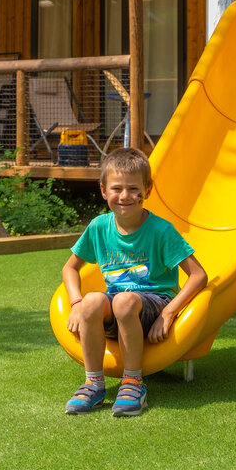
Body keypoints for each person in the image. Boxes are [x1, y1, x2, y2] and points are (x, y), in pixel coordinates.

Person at [60, 147, 207, 417]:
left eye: (133, 188)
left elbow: (198, 275)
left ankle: (133, 383)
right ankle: (94, 384)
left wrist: (169, 312)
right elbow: (70, 268)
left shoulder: (161, 230)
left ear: (147, 190)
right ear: (103, 190)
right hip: (116, 309)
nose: (124, 196)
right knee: (93, 300)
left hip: (152, 305)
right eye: (116, 188)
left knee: (125, 301)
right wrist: (76, 304)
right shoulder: (99, 227)